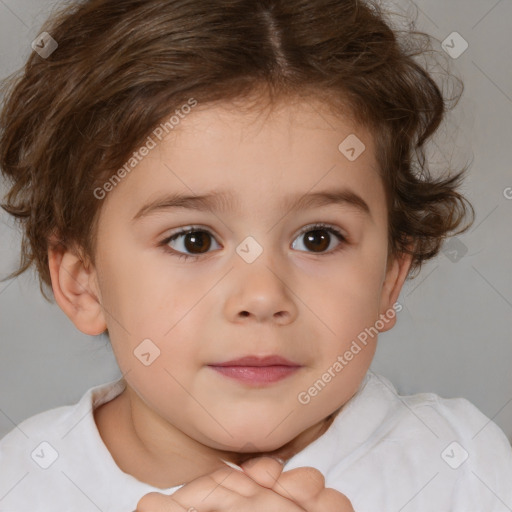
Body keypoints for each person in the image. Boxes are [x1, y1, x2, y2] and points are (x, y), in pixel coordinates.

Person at [1, 0, 511, 510]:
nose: (263, 296)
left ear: (389, 279)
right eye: (193, 240)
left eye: (318, 238)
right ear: (82, 281)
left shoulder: (462, 465)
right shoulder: (23, 483)